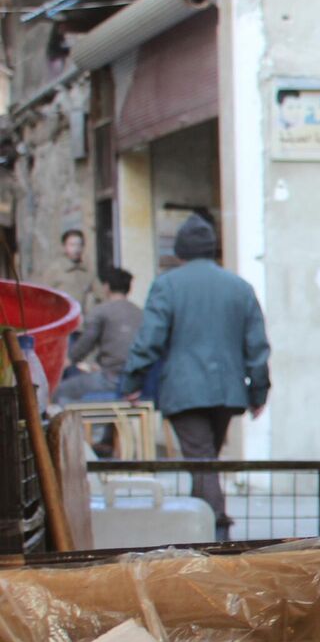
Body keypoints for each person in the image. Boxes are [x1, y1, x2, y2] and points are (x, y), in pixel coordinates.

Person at [120, 215, 271, 540]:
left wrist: (132, 381)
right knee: (206, 459)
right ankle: (203, 526)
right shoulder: (239, 287)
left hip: (184, 390)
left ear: (180, 251)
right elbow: (256, 346)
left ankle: (217, 529)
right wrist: (259, 392)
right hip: (228, 392)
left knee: (201, 460)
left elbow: (150, 339)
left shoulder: (167, 285)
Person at [55, 267, 142, 403]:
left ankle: (90, 425)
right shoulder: (140, 313)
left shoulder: (101, 311)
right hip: (137, 380)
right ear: (129, 289)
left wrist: (68, 360)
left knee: (60, 392)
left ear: (106, 287)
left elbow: (86, 343)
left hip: (111, 378)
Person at [41, 228, 100, 313]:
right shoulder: (55, 269)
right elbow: (43, 296)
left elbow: (101, 295)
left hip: (82, 320)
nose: (76, 249)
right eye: (72, 245)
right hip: (61, 318)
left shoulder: (87, 271)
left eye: (79, 245)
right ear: (64, 247)